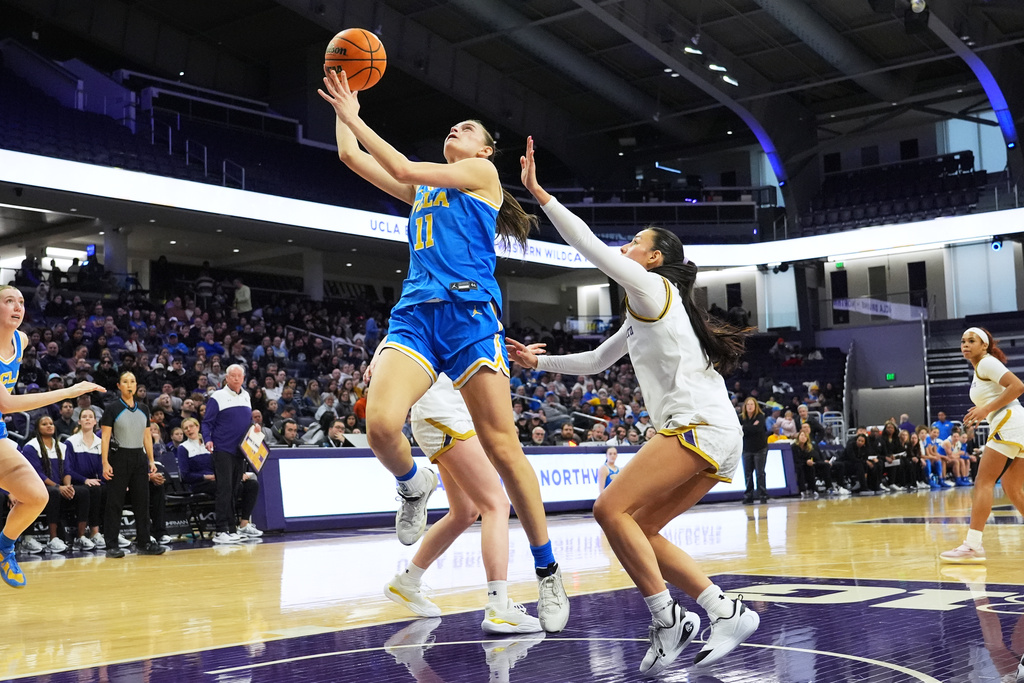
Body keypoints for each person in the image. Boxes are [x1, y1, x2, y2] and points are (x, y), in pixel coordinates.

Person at [319, 69, 568, 632]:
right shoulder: (427, 191)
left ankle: (547, 570)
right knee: (381, 424)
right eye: (455, 126)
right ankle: (412, 482)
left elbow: (402, 164)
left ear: (484, 150)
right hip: (415, 316)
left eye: (469, 126)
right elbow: (352, 158)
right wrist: (343, 105)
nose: (457, 126)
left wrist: (358, 116)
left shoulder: (480, 173)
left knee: (504, 451)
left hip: (470, 318)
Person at [514, 139, 758, 674]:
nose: (623, 248)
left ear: (653, 259)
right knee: (640, 529)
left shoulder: (651, 289)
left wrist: (541, 195)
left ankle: (666, 616)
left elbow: (590, 249)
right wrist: (540, 365)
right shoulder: (649, 307)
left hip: (696, 426)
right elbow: (598, 361)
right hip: (714, 431)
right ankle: (725, 609)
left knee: (607, 509)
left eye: (633, 242)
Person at [384, 371, 541, 634]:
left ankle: (407, 582)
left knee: (465, 512)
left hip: (445, 416)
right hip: (443, 414)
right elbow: (400, 332)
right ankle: (498, 607)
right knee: (496, 505)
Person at [0, 286, 105, 586]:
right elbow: (6, 403)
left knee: (36, 496)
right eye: (9, 301)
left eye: (21, 301)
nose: (18, 307)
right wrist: (69, 391)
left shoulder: (19, 341)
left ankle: (4, 547)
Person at [941, 327, 1024, 564]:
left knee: (983, 482)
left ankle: (973, 545)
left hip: (1009, 421)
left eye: (971, 341)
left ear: (984, 345)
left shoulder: (988, 363)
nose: (965, 344)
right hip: (1016, 423)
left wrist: (986, 409)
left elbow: (1017, 386)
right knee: (1012, 487)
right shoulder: (981, 368)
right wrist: (984, 413)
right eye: (963, 341)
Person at [100, 371, 166, 558]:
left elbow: (147, 436)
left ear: (136, 385)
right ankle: (111, 544)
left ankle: (144, 542)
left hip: (139, 457)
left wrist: (151, 460)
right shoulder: (112, 408)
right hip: (119, 457)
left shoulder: (144, 409)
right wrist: (105, 462)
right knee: (115, 502)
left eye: (132, 381)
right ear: (119, 386)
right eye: (125, 382)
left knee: (142, 501)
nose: (129, 385)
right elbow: (105, 438)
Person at [201, 364, 263, 543]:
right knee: (224, 489)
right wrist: (208, 439)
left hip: (241, 451)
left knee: (235, 489)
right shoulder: (217, 396)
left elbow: (247, 421)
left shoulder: (246, 396)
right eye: (233, 375)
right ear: (226, 378)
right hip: (222, 449)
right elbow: (207, 422)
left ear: (243, 378)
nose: (236, 378)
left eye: (239, 376)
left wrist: (255, 427)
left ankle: (232, 528)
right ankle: (221, 531)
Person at [177, 417, 260, 543]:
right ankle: (227, 529)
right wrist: (206, 476)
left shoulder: (210, 443)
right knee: (226, 487)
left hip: (220, 478)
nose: (189, 430)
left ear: (198, 427)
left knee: (252, 484)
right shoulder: (183, 448)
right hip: (200, 483)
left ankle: (244, 524)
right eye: (185, 428)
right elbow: (185, 476)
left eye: (191, 426)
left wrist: (237, 474)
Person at [63, 407, 106, 548]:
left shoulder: (100, 443)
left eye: (90, 417)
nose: (87, 419)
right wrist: (85, 480)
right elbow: (68, 469)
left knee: (108, 490)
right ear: (79, 421)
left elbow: (102, 469)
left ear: (95, 421)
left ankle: (106, 533)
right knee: (90, 490)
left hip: (93, 482)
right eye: (84, 417)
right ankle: (81, 536)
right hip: (77, 482)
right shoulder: (70, 442)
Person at [738, 397, 768, 505]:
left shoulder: (760, 416)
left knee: (760, 473)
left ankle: (763, 495)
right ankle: (748, 496)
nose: (750, 406)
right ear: (745, 407)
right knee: (748, 473)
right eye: (748, 404)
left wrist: (745, 428)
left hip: (760, 448)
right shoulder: (740, 417)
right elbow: (738, 430)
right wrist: (750, 427)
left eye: (752, 404)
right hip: (746, 449)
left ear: (755, 406)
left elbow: (757, 429)